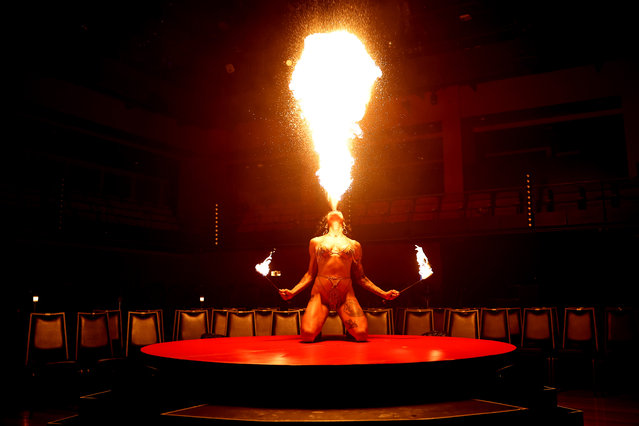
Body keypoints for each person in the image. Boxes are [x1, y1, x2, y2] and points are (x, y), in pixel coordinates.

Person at [279, 210, 399, 342]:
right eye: (331, 211)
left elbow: (361, 278)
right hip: (321, 294)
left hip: (345, 295)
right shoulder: (315, 242)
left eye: (338, 211)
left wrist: (383, 294)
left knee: (362, 334)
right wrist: (293, 292)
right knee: (308, 335)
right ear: (326, 220)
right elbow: (310, 274)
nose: (334, 210)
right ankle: (316, 330)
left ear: (344, 221)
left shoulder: (354, 245)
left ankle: (350, 331)